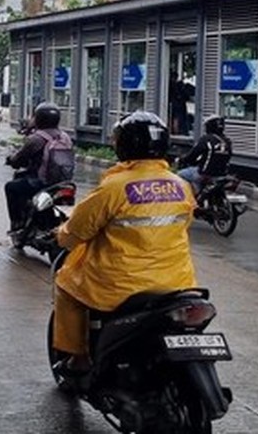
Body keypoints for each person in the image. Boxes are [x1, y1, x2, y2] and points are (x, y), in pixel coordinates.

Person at [51, 110, 198, 375]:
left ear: (123, 145)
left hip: (121, 285)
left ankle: (80, 359)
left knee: (66, 285)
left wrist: (61, 235)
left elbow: (77, 230)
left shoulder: (115, 187)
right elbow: (183, 225)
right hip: (177, 282)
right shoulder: (181, 185)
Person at [4, 102, 71, 232]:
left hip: (41, 182)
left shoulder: (37, 138)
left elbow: (20, 158)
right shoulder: (65, 137)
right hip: (64, 182)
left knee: (11, 187)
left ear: (39, 118)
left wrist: (11, 160)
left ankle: (17, 223)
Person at [175, 115, 233, 198]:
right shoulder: (227, 141)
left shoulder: (206, 139)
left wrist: (183, 160)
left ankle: (193, 198)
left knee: (179, 174)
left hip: (205, 174)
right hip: (222, 174)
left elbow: (193, 155)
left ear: (209, 126)